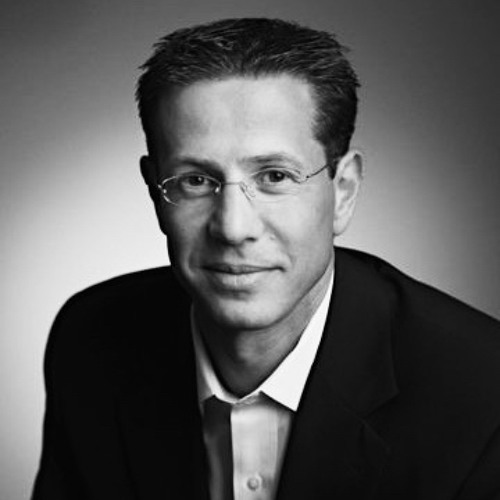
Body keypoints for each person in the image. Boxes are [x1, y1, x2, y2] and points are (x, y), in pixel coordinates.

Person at [32, 17, 500, 500]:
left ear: (343, 191)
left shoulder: (482, 391)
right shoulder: (89, 343)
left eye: (275, 176)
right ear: (155, 191)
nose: (233, 228)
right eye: (195, 180)